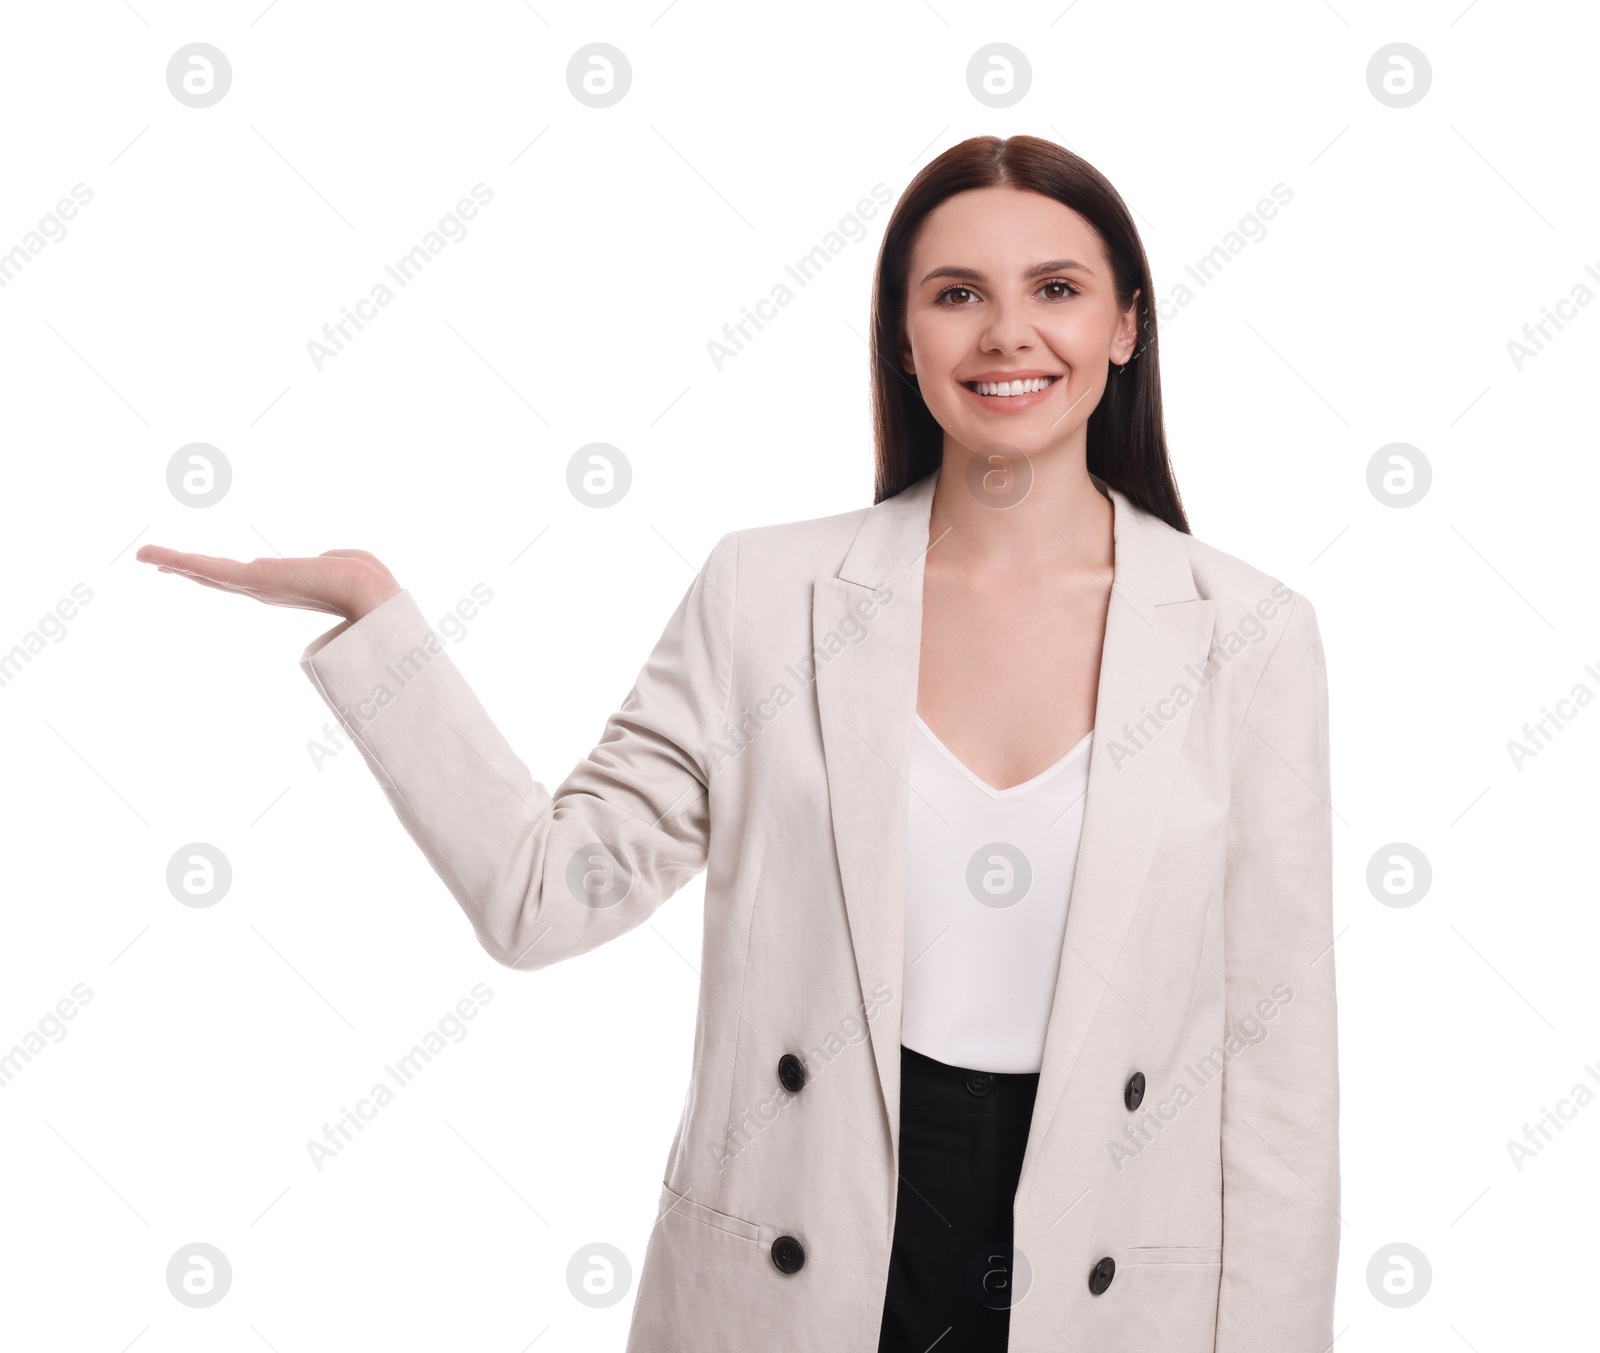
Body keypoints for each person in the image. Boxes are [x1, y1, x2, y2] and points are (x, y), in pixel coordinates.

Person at [139, 134, 1339, 1353]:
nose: (1006, 334)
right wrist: (376, 625)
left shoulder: (1246, 638)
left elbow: (1279, 1073)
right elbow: (545, 898)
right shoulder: (766, 596)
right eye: (957, 294)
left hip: (1113, 1285)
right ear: (902, 333)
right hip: (800, 1264)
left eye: (1057, 289)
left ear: (1126, 326)